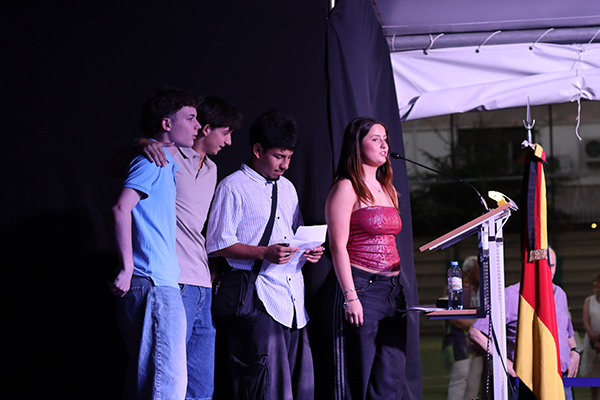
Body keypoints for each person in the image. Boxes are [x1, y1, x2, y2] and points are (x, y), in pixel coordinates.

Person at [108, 95, 242, 400]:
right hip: (166, 280)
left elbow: (200, 226)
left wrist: (213, 269)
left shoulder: (210, 170)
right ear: (205, 129)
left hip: (198, 280)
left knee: (194, 384)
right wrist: (139, 143)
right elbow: (117, 188)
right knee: (163, 383)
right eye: (225, 132)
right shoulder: (162, 155)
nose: (229, 141)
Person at [205, 109, 324, 400]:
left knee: (301, 386)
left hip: (293, 300)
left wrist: (309, 250)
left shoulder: (288, 188)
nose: (285, 165)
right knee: (265, 387)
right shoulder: (232, 187)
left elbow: (293, 235)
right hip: (256, 299)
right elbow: (216, 244)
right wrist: (264, 253)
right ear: (258, 150)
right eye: (279, 156)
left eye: (289, 157)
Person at [109, 87, 200, 400]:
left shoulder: (163, 163)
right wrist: (127, 267)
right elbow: (120, 208)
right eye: (190, 118)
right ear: (166, 124)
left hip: (155, 284)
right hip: (154, 285)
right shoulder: (153, 162)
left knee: (148, 384)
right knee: (167, 388)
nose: (198, 126)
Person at [325, 117, 407, 400]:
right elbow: (337, 245)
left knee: (390, 377)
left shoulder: (388, 188)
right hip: (362, 287)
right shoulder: (346, 187)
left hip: (393, 290)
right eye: (375, 139)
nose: (384, 145)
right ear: (357, 146)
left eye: (385, 139)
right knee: (357, 376)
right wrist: (351, 296)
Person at [468, 247, 580, 400]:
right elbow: (475, 332)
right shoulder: (510, 296)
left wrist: (575, 351)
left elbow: (567, 331)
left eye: (552, 265)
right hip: (527, 383)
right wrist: (506, 364)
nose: (547, 270)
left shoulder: (560, 294)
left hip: (561, 380)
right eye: (543, 265)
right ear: (530, 266)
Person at [443, 256, 484, 400]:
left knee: (473, 385)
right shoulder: (450, 298)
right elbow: (458, 321)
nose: (465, 286)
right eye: (462, 283)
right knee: (459, 382)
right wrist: (480, 324)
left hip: (475, 348)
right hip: (458, 346)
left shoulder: (476, 297)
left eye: (467, 283)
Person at [581, 272, 600, 400]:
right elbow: (586, 321)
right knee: (594, 375)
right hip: (592, 343)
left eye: (598, 281)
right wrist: (593, 337)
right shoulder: (589, 300)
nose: (595, 284)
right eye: (594, 281)